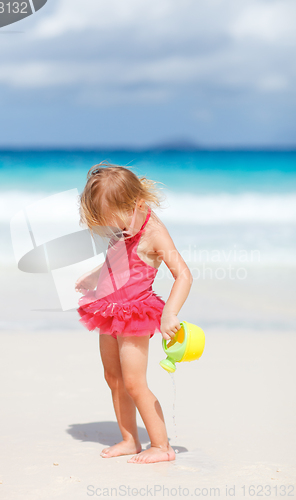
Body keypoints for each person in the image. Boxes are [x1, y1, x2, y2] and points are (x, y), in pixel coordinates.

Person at [75, 163, 193, 464]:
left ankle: (161, 446)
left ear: (138, 203)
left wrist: (170, 313)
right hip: (107, 309)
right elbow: (118, 259)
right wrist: (95, 275)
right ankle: (129, 439)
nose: (116, 231)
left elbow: (183, 275)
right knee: (112, 377)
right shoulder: (123, 225)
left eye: (118, 224)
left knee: (134, 382)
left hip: (135, 314)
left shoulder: (154, 233)